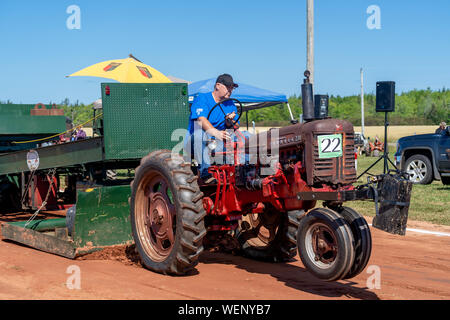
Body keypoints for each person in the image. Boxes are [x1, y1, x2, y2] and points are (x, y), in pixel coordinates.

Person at [185, 74, 240, 184]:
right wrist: (216, 133)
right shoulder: (202, 98)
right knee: (200, 135)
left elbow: (236, 125)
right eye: (228, 87)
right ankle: (205, 173)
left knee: (245, 136)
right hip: (196, 142)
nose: (231, 90)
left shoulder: (230, 103)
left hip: (217, 141)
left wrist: (229, 121)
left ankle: (243, 170)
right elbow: (201, 120)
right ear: (218, 86)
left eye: (232, 88)